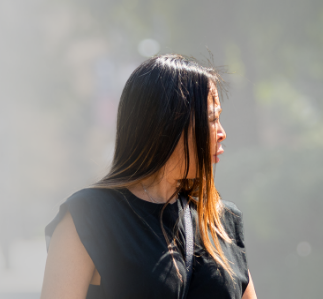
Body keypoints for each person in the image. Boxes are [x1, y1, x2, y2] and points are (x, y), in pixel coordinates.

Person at [40, 54, 257, 299]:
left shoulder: (221, 220)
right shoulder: (88, 217)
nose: (222, 133)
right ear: (170, 124)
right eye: (212, 119)